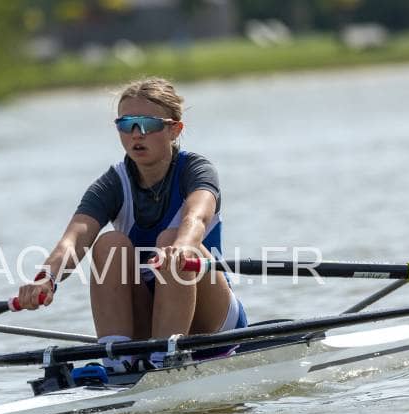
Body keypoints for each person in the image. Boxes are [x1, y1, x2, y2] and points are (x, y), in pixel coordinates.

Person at [16, 77, 246, 371]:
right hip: (148, 318)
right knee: (108, 244)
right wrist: (46, 277)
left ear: (175, 129)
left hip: (212, 322)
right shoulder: (112, 183)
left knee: (170, 239)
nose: (136, 134)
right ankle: (119, 363)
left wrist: (183, 246)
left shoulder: (197, 170)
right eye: (126, 125)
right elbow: (73, 239)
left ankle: (165, 359)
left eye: (148, 124)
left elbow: (196, 217)